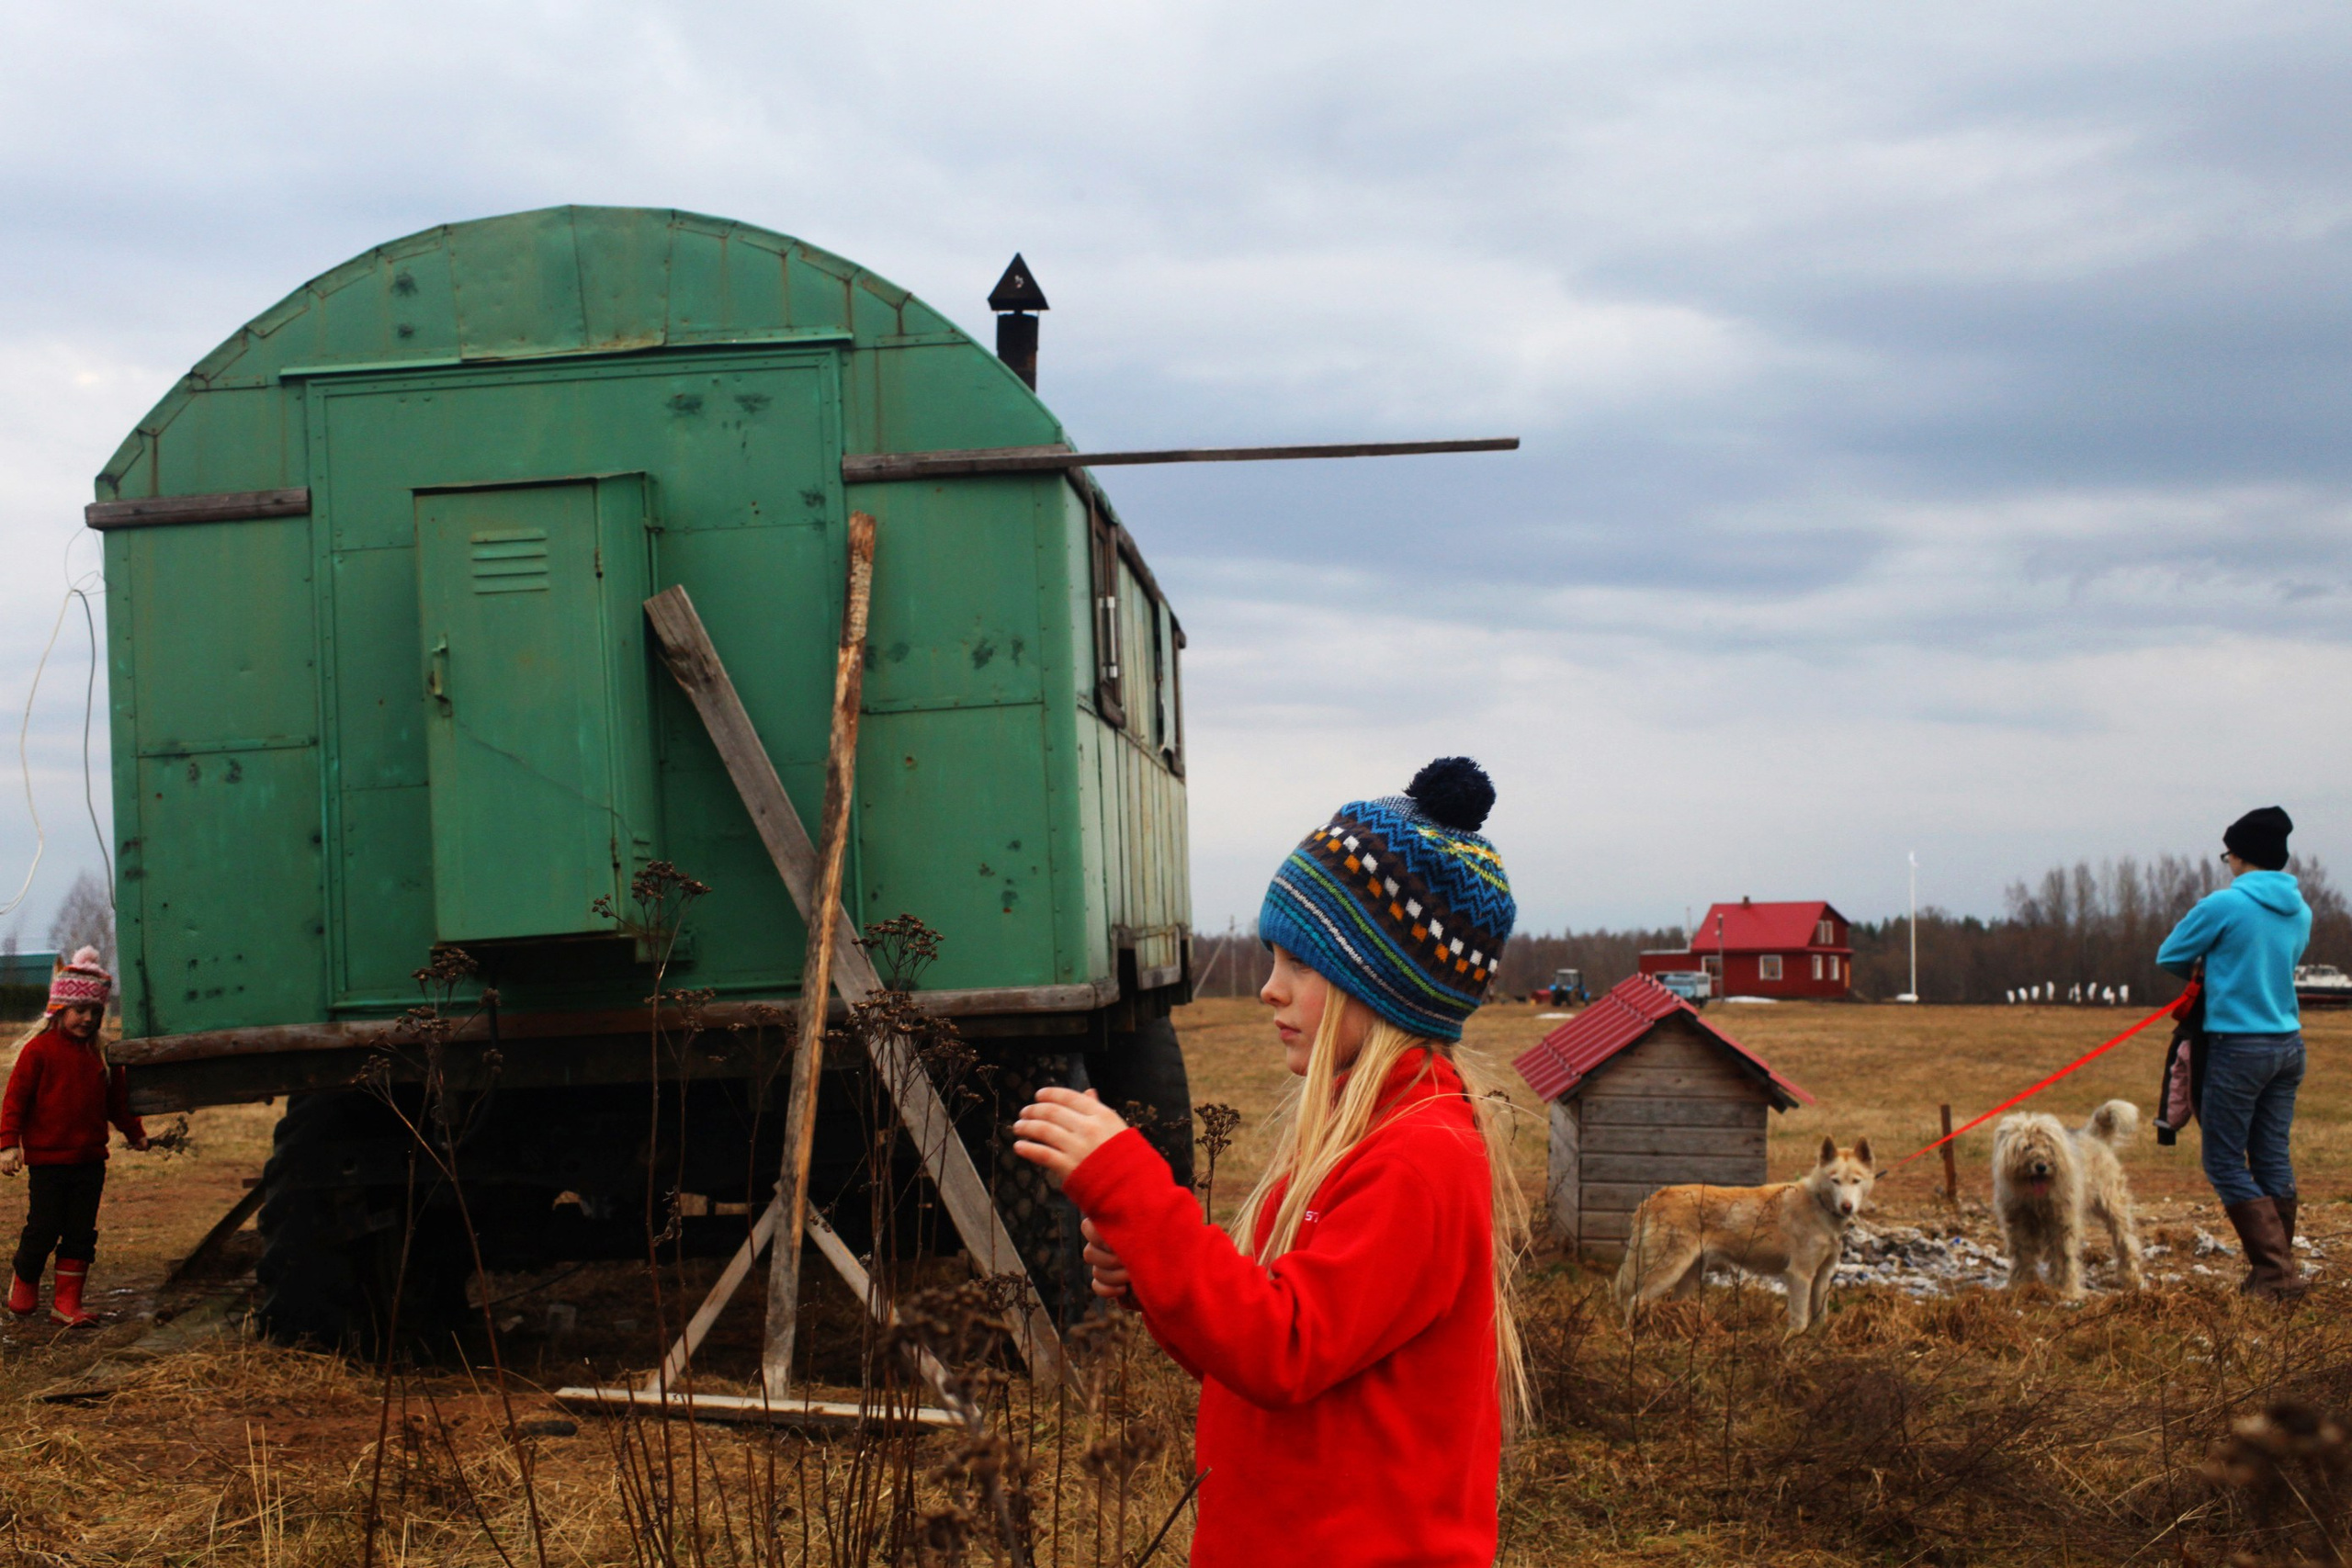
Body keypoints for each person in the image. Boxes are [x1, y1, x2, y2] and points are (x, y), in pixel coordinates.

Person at [1013, 757, 1525, 1568]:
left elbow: (1279, 1347)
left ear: (1381, 984)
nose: (1269, 989)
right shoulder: (1350, 1140)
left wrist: (1130, 1183)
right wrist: (1153, 1268)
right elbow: (1245, 1345)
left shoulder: (1422, 1157)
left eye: (1300, 962)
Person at [2156, 806, 2312, 1300]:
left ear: (2240, 855)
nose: (2227, 863)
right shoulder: (2301, 910)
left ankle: (2275, 1275)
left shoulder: (2224, 905)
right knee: (2270, 1156)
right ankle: (2275, 1274)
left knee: (2224, 1161)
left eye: (2228, 853)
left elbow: (2170, 955)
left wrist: (2207, 972)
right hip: (2288, 1045)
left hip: (2236, 1046)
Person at [0, 946, 147, 1326]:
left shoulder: (101, 1056)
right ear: (60, 1008)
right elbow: (14, 1101)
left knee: (82, 1233)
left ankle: (67, 1303)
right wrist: (7, 1144)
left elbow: (118, 1104)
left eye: (95, 1013)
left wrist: (136, 1134)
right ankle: (26, 1276)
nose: (87, 1019)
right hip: (49, 1162)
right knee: (44, 1228)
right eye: (80, 1011)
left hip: (90, 1161)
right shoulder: (38, 1052)